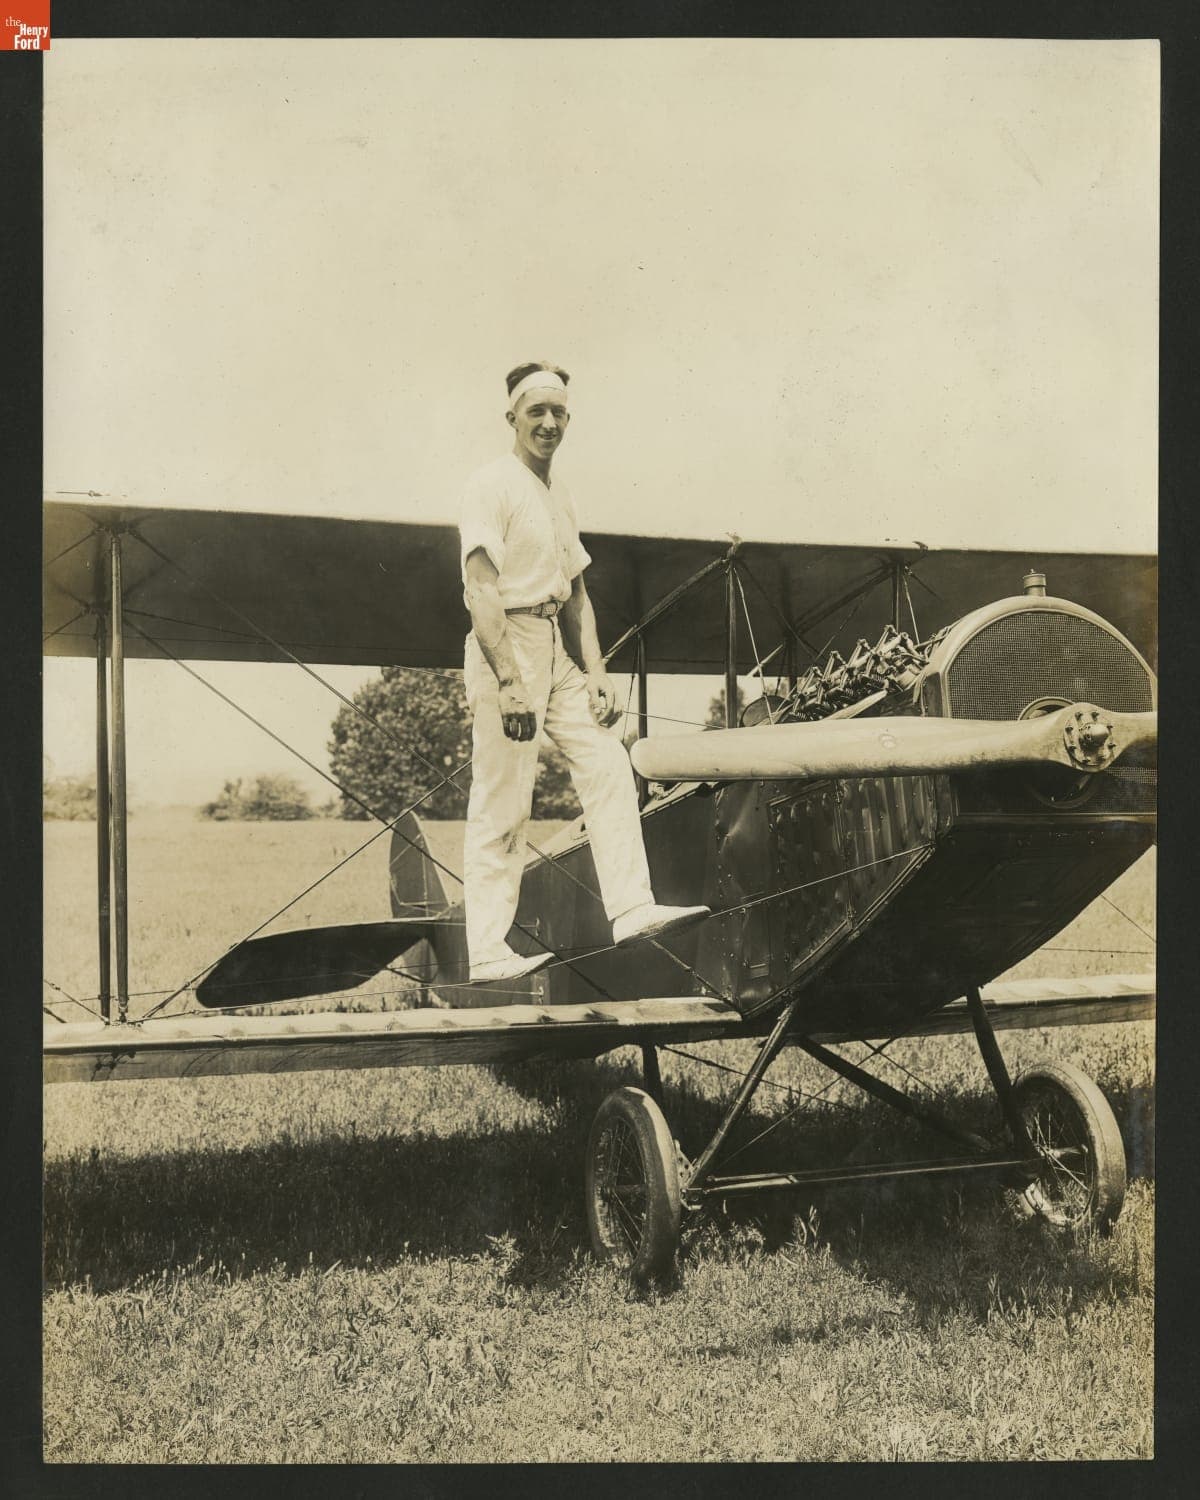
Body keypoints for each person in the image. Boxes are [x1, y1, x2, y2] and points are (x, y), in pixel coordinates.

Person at [459, 360, 708, 983]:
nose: (548, 422)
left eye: (559, 412)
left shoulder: (559, 494)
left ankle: (631, 908)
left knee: (607, 762)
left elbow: (576, 595)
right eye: (536, 411)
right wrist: (509, 683)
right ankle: (487, 951)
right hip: (505, 645)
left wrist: (596, 670)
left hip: (553, 645)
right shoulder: (490, 484)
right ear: (511, 417)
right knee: (503, 798)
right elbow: (481, 590)